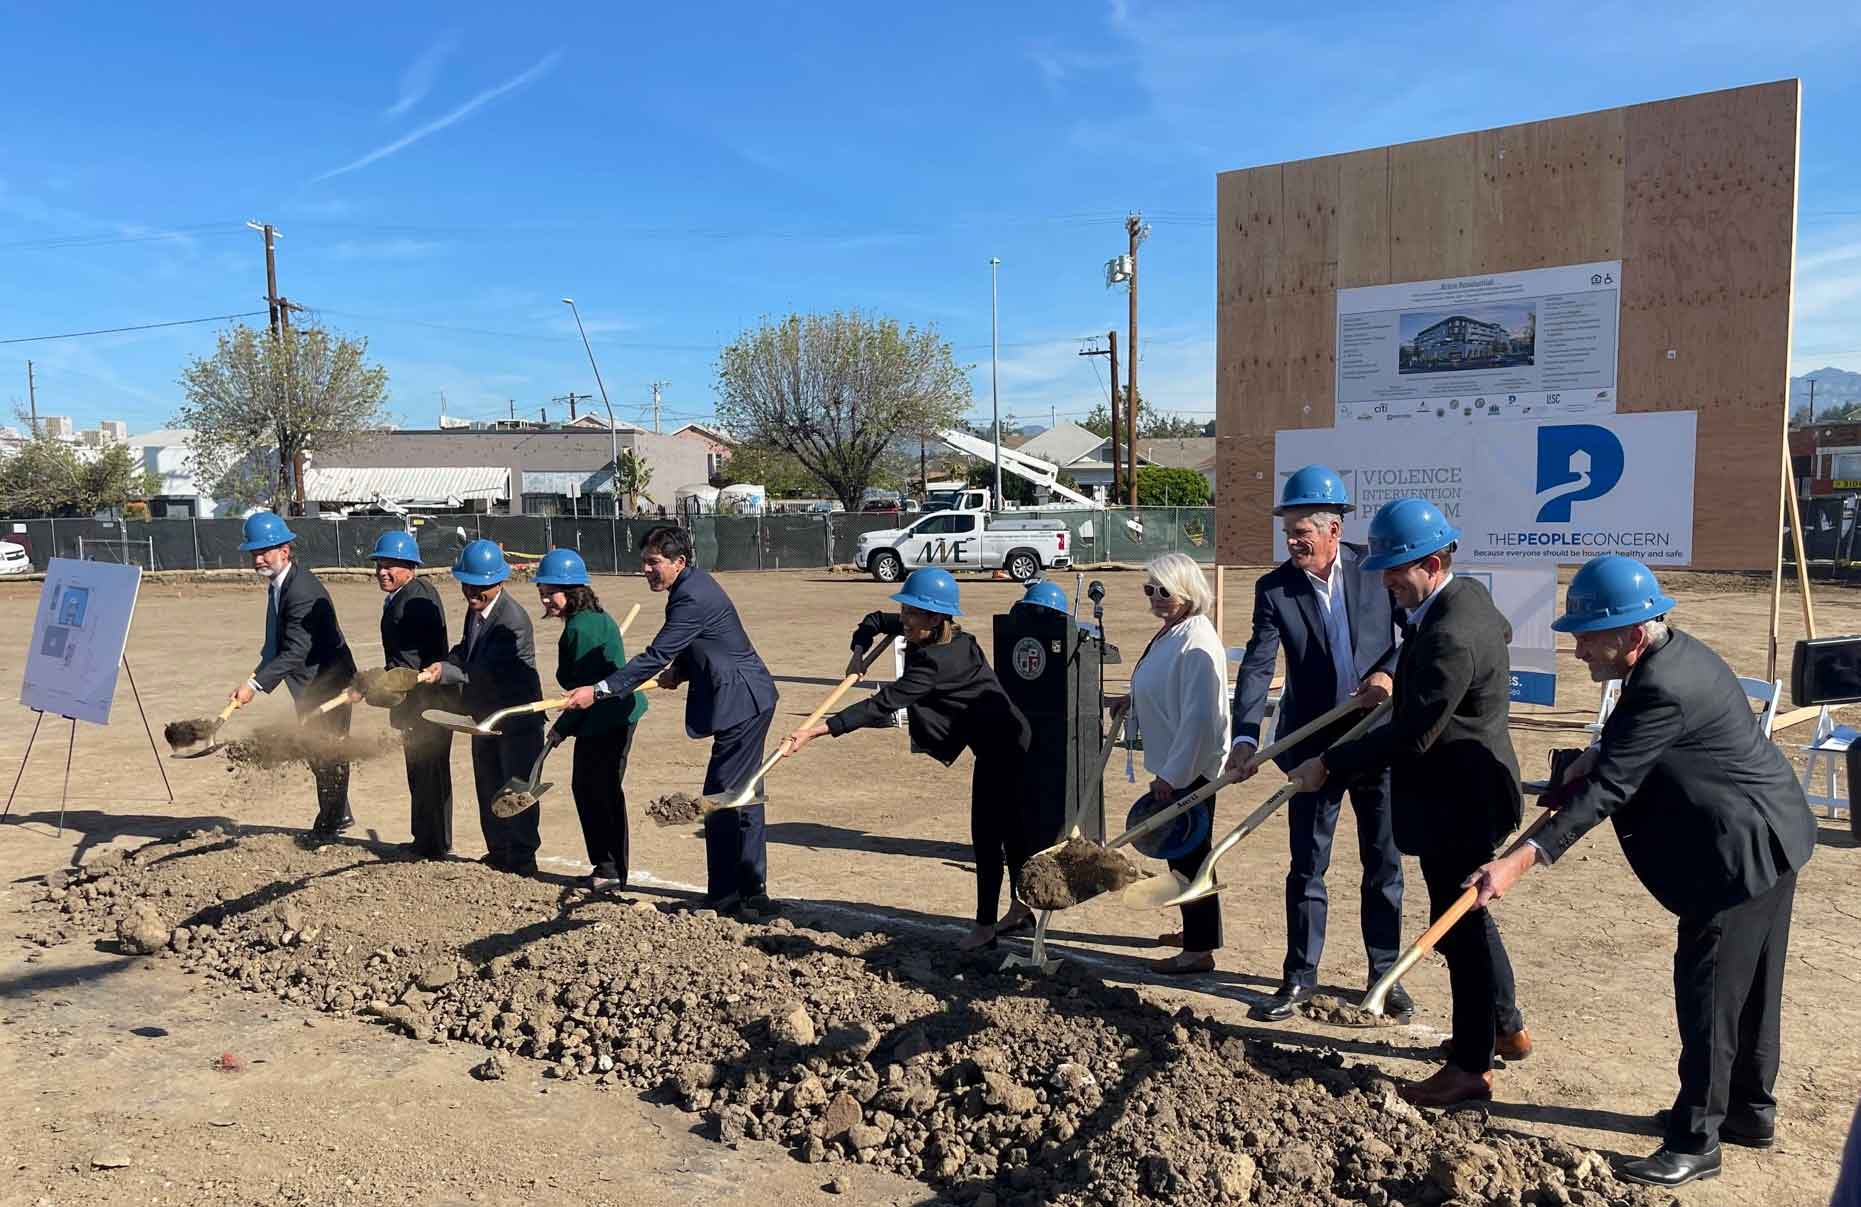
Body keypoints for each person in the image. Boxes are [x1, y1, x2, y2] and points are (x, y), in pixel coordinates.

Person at [1466, 555, 1817, 1188]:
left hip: (1736, 855)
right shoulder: (1672, 655)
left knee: (1710, 993)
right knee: (1754, 987)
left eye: (1586, 637)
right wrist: (1590, 755)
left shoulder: (1662, 684)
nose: (1576, 652)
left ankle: (1696, 1139)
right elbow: (1630, 748)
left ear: (1631, 635)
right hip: (1774, 832)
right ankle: (1750, 1111)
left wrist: (1519, 861)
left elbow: (1609, 792)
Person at [1290, 496, 1527, 1107]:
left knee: (1460, 931)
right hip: (1473, 787)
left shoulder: (1448, 632)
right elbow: (1489, 634)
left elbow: (1415, 731)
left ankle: (1471, 1065)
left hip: (1460, 798)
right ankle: (1506, 1025)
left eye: (1399, 568)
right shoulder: (1464, 599)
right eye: (1386, 567)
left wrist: (1329, 763)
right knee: (1470, 913)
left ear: (1436, 559)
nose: (1388, 580)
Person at [1226, 464, 1408, 1021]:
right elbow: (1258, 664)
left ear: (1334, 529)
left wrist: (1390, 673)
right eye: (1288, 528)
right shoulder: (1274, 588)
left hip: (1375, 737)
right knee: (1307, 863)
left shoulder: (1375, 570)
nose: (1293, 539)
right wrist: (1245, 735)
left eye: (1303, 528)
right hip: (1309, 745)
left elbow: (1416, 632)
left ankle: (1384, 977)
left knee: (1384, 861)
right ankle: (1299, 979)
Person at [784, 567, 1035, 950]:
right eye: (904, 611)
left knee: (989, 837)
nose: (903, 619)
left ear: (935, 618)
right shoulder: (938, 632)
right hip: (1007, 736)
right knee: (1010, 832)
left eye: (911, 613)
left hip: (1003, 747)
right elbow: (873, 620)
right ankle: (1020, 910)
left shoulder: (938, 663)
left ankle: (986, 927)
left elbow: (880, 705)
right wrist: (858, 651)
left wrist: (816, 730)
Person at [562, 526, 778, 913]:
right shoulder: (690, 587)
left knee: (722, 797)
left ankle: (727, 893)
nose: (646, 569)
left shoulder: (691, 596)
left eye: (653, 562)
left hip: (741, 699)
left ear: (679, 562)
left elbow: (654, 654)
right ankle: (751, 889)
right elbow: (703, 640)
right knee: (743, 797)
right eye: (643, 561)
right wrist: (682, 669)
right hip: (746, 695)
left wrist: (598, 690)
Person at [1121, 553, 1231, 975]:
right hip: (1175, 764)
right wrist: (1129, 703)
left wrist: (1172, 776)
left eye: (1165, 591)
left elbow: (1200, 716)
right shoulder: (1173, 632)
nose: (1156, 598)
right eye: (1150, 590)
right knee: (1181, 855)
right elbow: (1164, 687)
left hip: (1191, 769)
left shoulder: (1197, 639)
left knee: (1190, 857)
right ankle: (1196, 933)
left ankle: (1199, 950)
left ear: (1187, 592)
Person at [419, 539, 545, 875]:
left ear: (499, 582)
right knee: (488, 783)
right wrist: (443, 663)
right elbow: (468, 651)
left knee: (515, 788)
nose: (472, 592)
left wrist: (446, 672)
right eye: (467, 584)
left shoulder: (511, 619)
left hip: (515, 718)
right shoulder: (478, 613)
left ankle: (521, 858)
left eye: (481, 586)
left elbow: (485, 669)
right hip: (486, 716)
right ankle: (499, 851)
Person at [228, 511, 357, 837]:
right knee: (319, 752)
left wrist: (256, 684)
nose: (257, 559)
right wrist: (257, 671)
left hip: (329, 683)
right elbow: (277, 641)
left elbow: (296, 650)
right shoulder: (280, 583)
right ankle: (336, 814)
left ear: (285, 550)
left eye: (264, 552)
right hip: (309, 683)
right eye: (254, 553)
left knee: (328, 750)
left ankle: (333, 820)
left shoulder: (301, 590)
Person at [536, 548, 645, 891]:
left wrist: (561, 728)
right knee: (591, 788)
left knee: (598, 790)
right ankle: (606, 865)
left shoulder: (581, 629)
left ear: (572, 593)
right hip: (606, 713)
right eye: (542, 595)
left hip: (608, 717)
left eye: (551, 595)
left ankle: (610, 870)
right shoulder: (594, 619)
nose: (546, 603)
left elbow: (586, 692)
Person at [370, 530, 453, 859]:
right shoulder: (406, 595)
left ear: (410, 567)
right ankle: (426, 840)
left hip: (425, 704)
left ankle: (433, 845)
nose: (382, 572)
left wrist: (373, 688)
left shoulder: (414, 601)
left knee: (428, 773)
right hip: (418, 702)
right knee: (420, 773)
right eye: (379, 565)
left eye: (390, 565)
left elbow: (408, 665)